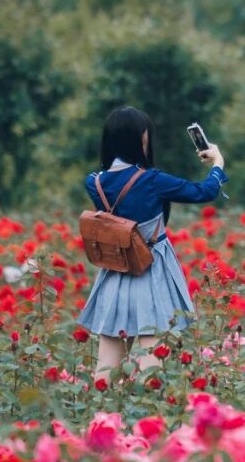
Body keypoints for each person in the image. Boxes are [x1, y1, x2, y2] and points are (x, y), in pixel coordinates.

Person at [77, 106, 227, 384]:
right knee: (149, 373)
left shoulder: (94, 182)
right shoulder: (152, 181)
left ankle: (97, 423)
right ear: (141, 140)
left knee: (104, 377)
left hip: (115, 276)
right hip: (152, 273)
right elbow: (205, 191)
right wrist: (217, 161)